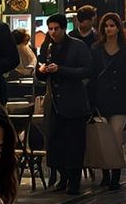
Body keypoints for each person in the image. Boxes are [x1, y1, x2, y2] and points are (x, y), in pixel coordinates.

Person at [37, 13, 93, 194]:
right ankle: (62, 177)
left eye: (56, 29)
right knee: (55, 142)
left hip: (73, 102)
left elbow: (87, 70)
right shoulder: (48, 46)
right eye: (50, 29)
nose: (53, 32)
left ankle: (74, 181)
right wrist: (42, 70)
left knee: (74, 144)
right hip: (54, 102)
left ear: (63, 29)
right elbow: (40, 73)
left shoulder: (77, 46)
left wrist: (61, 70)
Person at [89, 12, 126, 189]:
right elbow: (92, 73)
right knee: (103, 136)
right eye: (106, 25)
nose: (109, 29)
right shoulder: (96, 48)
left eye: (112, 25)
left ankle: (116, 173)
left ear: (118, 27)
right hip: (101, 97)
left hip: (122, 98)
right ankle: (105, 172)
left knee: (115, 134)